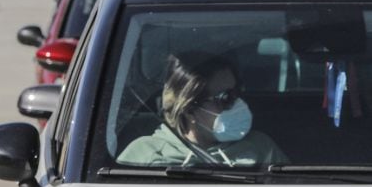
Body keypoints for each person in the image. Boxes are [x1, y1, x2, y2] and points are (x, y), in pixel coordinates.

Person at [118, 52, 288, 167]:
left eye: (237, 93)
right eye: (225, 98)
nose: (237, 103)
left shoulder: (261, 148)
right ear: (189, 108)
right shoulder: (144, 153)